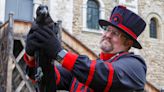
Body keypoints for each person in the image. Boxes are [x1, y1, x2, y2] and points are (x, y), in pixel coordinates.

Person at [24, 5, 147, 92]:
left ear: (128, 42)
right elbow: (48, 77)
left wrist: (60, 53)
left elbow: (106, 75)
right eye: (108, 30)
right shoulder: (85, 69)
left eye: (115, 33)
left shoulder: (136, 66)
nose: (107, 35)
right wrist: (32, 56)